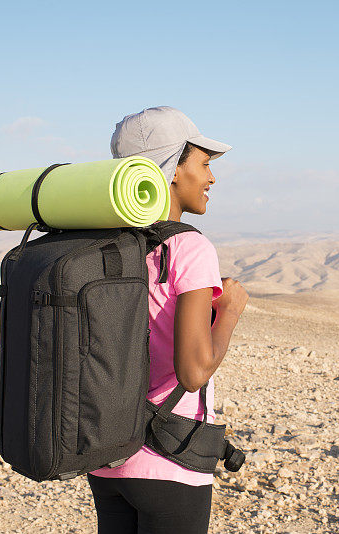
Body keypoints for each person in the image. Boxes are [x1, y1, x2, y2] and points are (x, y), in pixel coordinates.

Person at [86, 107, 249, 534]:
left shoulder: (107, 243)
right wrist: (229, 311)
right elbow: (193, 372)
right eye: (204, 163)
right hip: (169, 461)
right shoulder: (190, 250)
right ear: (172, 170)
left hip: (108, 455)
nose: (211, 178)